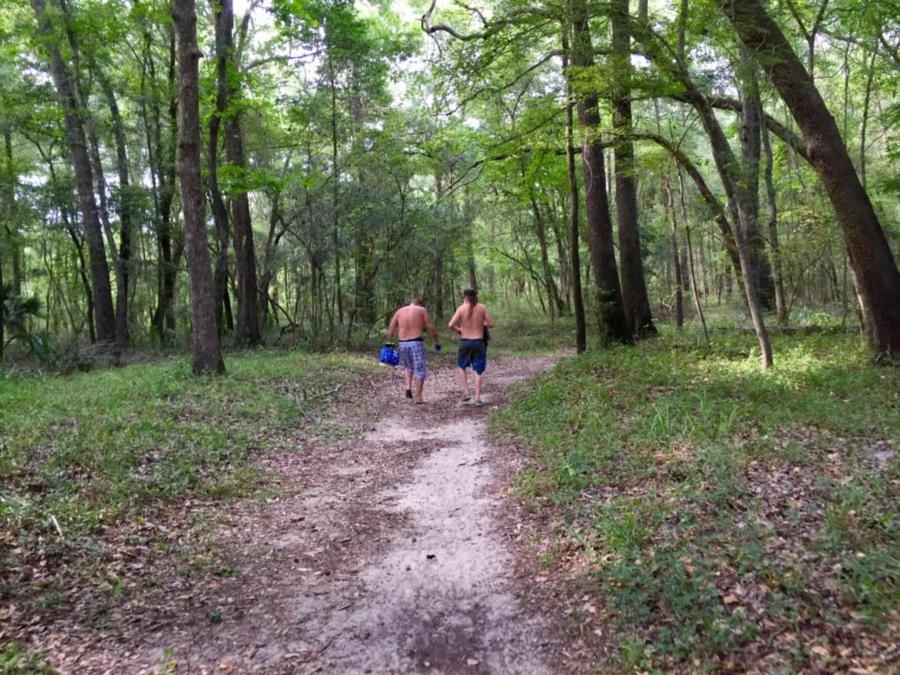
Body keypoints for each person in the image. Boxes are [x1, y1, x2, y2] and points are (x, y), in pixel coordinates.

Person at [387, 298, 440, 404]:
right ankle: (419, 397)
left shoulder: (399, 311)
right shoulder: (421, 310)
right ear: (419, 304)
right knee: (419, 369)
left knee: (408, 367)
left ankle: (408, 387)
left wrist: (389, 344)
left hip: (402, 343)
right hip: (416, 342)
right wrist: (436, 341)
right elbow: (430, 326)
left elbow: (391, 327)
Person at [448, 288, 495, 406]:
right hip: (479, 342)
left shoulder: (461, 308)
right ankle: (477, 398)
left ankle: (466, 392)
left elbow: (450, 325)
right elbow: (491, 324)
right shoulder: (482, 308)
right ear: (476, 296)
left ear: (465, 297)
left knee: (461, 366)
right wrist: (481, 324)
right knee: (478, 370)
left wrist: (459, 330)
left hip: (465, 341)